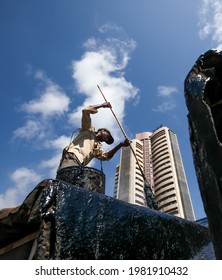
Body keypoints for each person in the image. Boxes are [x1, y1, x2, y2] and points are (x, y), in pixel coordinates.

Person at [56, 102, 130, 180]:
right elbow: (85, 111)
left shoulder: (97, 146)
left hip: (80, 165)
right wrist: (102, 105)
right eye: (107, 136)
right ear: (102, 131)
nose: (106, 139)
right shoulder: (88, 129)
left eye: (107, 140)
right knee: (65, 178)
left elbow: (106, 156)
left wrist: (120, 145)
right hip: (72, 156)